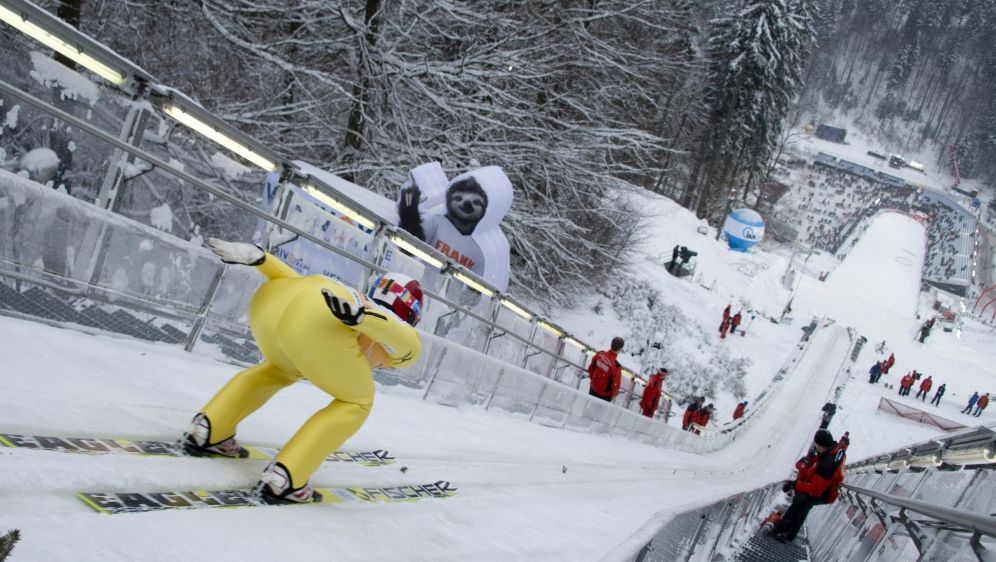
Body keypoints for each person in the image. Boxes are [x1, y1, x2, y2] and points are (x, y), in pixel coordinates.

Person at [182, 239, 423, 503]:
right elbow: (405, 341)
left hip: (273, 306)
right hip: (315, 330)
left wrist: (262, 259)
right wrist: (363, 318)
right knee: (358, 402)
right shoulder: (380, 317)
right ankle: (287, 476)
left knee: (278, 370)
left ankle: (211, 427)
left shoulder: (348, 292)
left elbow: (296, 281)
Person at [771, 429, 846, 543]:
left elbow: (816, 489)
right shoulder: (834, 450)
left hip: (825, 493)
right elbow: (841, 448)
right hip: (825, 488)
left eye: (816, 445)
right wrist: (845, 441)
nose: (815, 447)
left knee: (803, 500)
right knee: (804, 501)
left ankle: (783, 530)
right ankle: (789, 533)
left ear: (820, 445)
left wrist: (795, 485)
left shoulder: (828, 464)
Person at [587, 337, 624, 402]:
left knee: (587, 407)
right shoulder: (616, 366)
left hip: (593, 388)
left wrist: (594, 380)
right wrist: (612, 394)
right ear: (619, 349)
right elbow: (616, 386)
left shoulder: (600, 354)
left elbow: (591, 368)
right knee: (597, 412)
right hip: (604, 395)